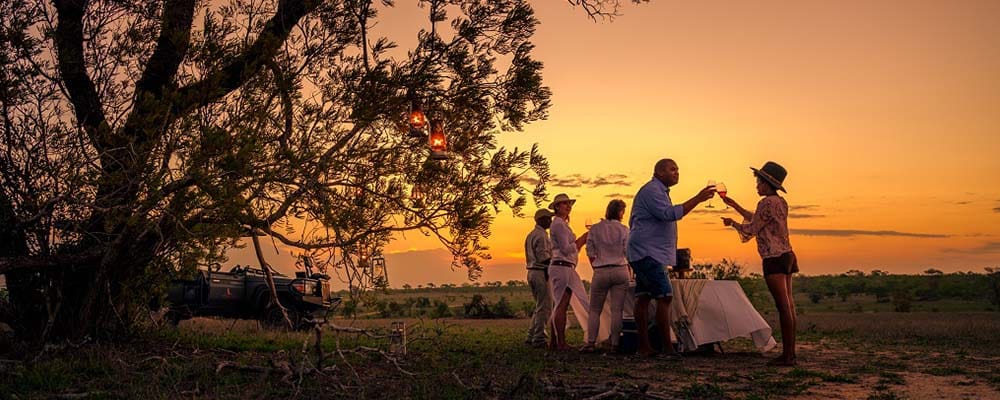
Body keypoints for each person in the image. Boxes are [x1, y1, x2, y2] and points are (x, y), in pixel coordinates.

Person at [628, 159, 716, 357]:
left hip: (644, 250)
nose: (677, 173)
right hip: (648, 252)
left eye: (678, 169)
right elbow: (669, 214)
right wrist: (698, 198)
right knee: (665, 296)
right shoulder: (652, 191)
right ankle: (667, 348)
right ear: (660, 172)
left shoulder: (658, 191)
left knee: (644, 297)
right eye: (672, 169)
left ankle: (644, 347)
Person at [721, 161, 798, 366]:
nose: (756, 186)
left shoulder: (765, 203)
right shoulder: (780, 202)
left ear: (766, 184)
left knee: (783, 307)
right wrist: (736, 206)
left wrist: (732, 223)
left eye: (758, 182)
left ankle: (787, 356)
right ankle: (790, 353)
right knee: (789, 306)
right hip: (788, 255)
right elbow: (759, 220)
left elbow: (752, 229)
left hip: (773, 258)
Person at [581, 199, 630, 353]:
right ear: (620, 212)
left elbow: (590, 251)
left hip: (601, 270)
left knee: (595, 309)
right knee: (617, 310)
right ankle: (615, 344)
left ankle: (591, 342)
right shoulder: (624, 229)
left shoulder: (595, 229)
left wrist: (596, 266)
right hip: (620, 269)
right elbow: (628, 252)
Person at [547, 193, 590, 350]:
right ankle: (560, 342)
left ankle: (555, 341)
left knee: (560, 304)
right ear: (557, 207)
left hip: (566, 266)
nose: (568, 206)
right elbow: (566, 249)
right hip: (562, 266)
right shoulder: (558, 224)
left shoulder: (562, 224)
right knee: (561, 304)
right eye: (564, 204)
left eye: (569, 204)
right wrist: (582, 240)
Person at [524, 208, 554, 348]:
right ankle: (539, 338)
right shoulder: (541, 236)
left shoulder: (531, 234)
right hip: (540, 272)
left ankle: (531, 335)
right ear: (541, 220)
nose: (550, 221)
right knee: (545, 307)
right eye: (548, 218)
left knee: (540, 305)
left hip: (532, 272)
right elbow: (543, 257)